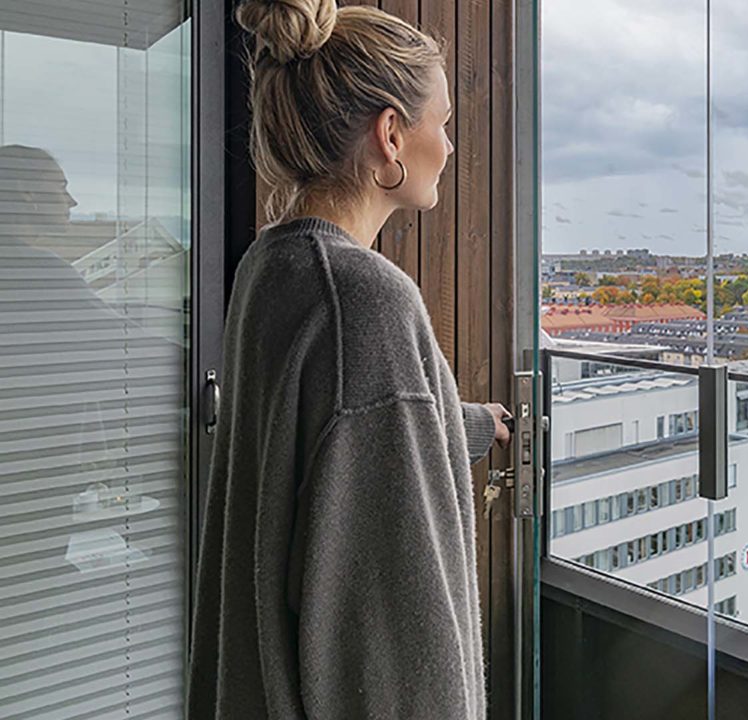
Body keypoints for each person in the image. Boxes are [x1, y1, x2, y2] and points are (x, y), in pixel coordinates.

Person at [187, 2, 508, 718]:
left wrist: (470, 425)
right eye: (443, 122)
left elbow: (338, 452)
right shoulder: (364, 301)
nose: (450, 146)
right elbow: (394, 638)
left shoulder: (274, 268)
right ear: (392, 135)